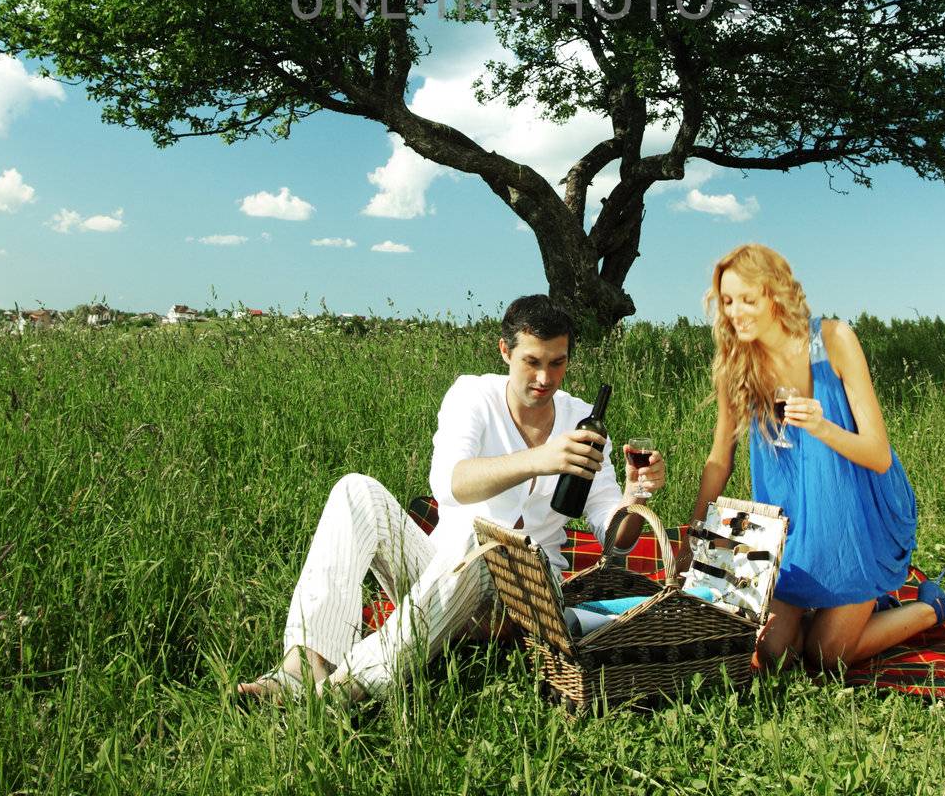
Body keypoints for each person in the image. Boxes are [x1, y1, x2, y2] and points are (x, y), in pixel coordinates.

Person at [237, 294, 666, 703]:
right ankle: (302, 666)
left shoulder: (583, 421)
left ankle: (345, 690)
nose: (545, 378)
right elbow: (451, 484)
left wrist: (634, 496)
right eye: (531, 362)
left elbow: (614, 539)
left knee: (485, 540)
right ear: (505, 351)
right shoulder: (472, 395)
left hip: (526, 596)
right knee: (355, 490)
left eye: (557, 363)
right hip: (441, 573)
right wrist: (539, 459)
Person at [691, 243, 945, 670]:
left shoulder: (835, 340)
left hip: (857, 516)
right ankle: (851, 603)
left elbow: (878, 456)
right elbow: (719, 460)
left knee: (826, 658)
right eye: (727, 301)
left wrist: (821, 427)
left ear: (776, 296)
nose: (734, 312)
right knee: (774, 652)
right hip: (793, 525)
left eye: (748, 299)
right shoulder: (735, 364)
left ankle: (931, 607)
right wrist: (697, 533)